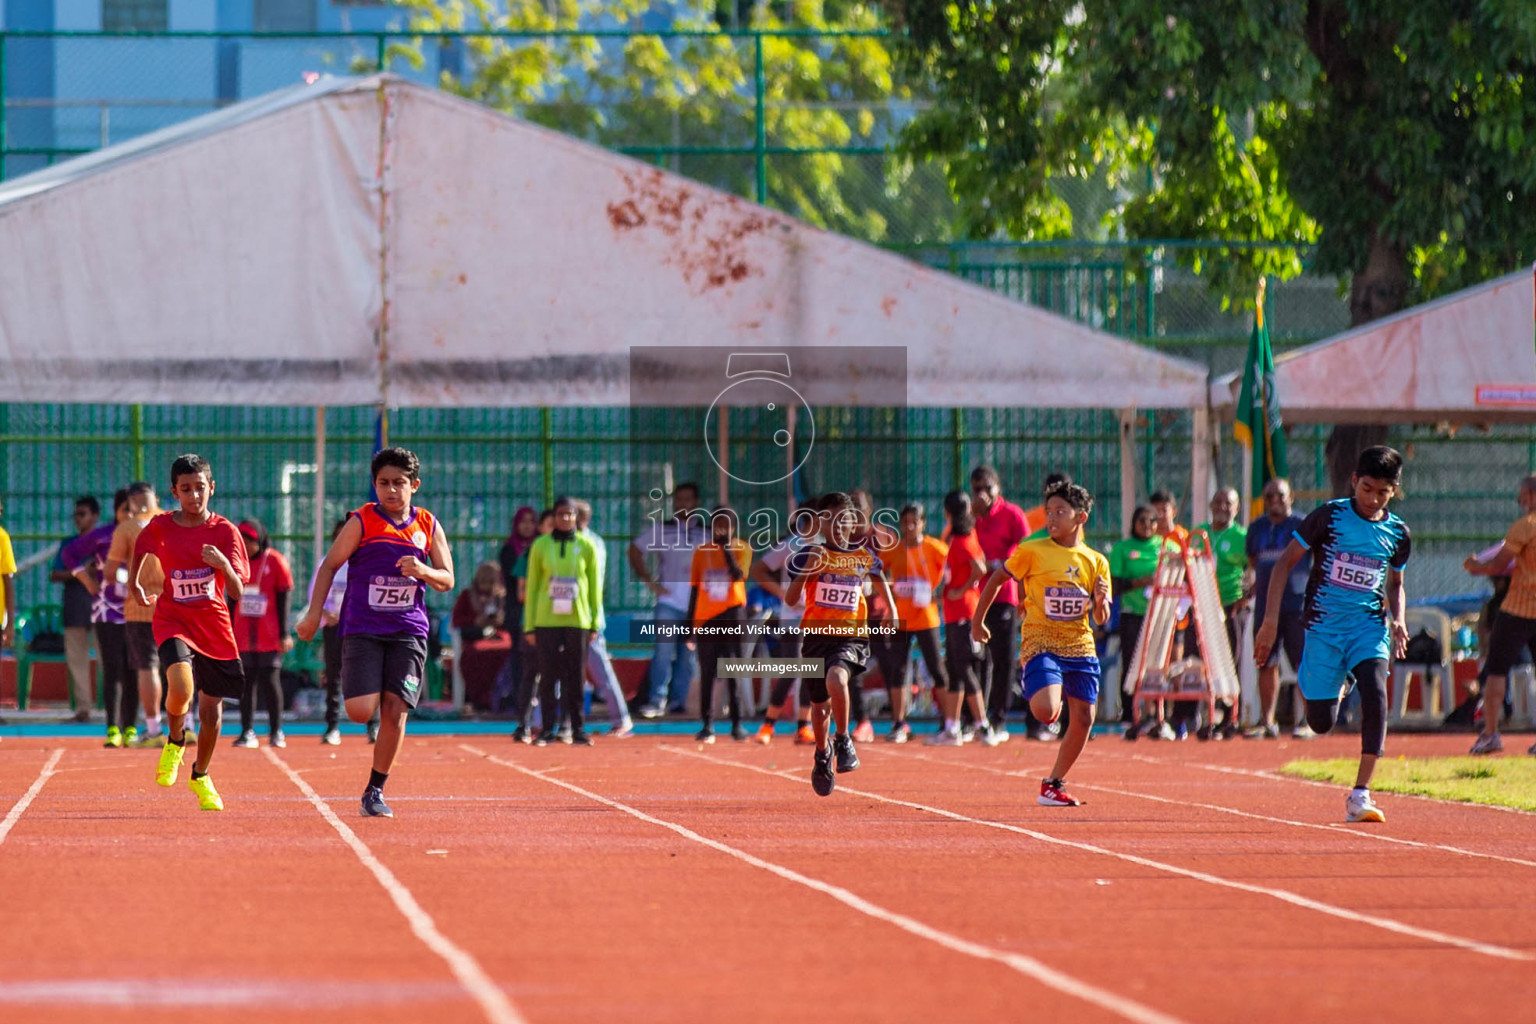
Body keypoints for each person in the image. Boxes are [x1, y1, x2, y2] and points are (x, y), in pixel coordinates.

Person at [296, 447, 457, 818]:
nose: (391, 490)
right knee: (359, 711)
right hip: (364, 629)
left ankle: (375, 789)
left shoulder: (428, 525)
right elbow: (329, 567)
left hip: (408, 631)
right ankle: (370, 698)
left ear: (414, 485)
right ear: (374, 485)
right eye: (384, 483)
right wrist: (313, 616)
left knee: (396, 710)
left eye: (399, 483)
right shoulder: (363, 521)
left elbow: (447, 579)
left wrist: (423, 571)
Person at [1255, 446, 1411, 824]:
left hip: (1368, 627)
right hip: (1323, 629)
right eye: (1367, 489)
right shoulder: (1328, 516)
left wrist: (1400, 618)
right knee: (1320, 721)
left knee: (1376, 693)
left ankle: (1361, 794)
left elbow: (1396, 584)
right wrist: (1270, 622)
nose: (1373, 499)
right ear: (1354, 481)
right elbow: (1282, 566)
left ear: (1394, 491)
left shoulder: (1397, 533)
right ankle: (1339, 684)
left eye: (1383, 492)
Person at [973, 481, 1112, 807]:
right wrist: (978, 619)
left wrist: (1102, 602)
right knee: (1047, 711)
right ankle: (1039, 683)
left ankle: (1053, 783)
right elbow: (997, 579)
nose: (1052, 518)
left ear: (1081, 517)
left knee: (1083, 720)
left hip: (1080, 646)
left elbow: (1102, 619)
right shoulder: (1033, 550)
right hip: (1042, 642)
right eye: (1049, 511)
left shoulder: (1096, 561)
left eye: (1060, 512)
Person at [130, 454, 250, 812]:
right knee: (181, 688)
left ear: (211, 488)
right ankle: (175, 741)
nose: (194, 496)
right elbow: (141, 547)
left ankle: (201, 775)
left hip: (213, 625)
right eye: (186, 489)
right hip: (173, 619)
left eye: (200, 488)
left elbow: (238, 591)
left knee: (212, 711)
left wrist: (223, 564)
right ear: (174, 492)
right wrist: (137, 584)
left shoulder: (225, 532)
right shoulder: (161, 526)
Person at [786, 492, 896, 797]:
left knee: (837, 677)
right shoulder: (813, 554)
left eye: (842, 519)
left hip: (850, 637)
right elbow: (791, 599)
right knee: (818, 708)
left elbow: (880, 576)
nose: (836, 525)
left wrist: (893, 611)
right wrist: (811, 569)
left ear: (853, 522)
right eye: (828, 519)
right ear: (820, 523)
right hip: (815, 639)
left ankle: (844, 737)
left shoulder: (863, 555)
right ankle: (822, 754)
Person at [1463, 474, 1536, 755]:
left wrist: (1474, 566)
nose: (1520, 501)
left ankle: (1491, 733)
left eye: (1522, 496)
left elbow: (1498, 565)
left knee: (1495, 672)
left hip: (1518, 608)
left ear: (1530, 497)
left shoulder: (1525, 526)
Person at [522, 496, 602, 747]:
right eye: (561, 514)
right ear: (553, 517)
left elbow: (595, 587)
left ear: (577, 518)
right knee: (547, 676)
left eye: (570, 514)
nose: (565, 519)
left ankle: (578, 729)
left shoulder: (588, 546)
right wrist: (530, 624)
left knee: (575, 676)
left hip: (578, 619)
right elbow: (533, 586)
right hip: (546, 619)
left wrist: (594, 621)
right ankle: (547, 729)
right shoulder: (540, 546)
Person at [62, 490, 135, 746]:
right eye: (125, 509)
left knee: (134, 670)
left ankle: (132, 728)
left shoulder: (147, 534)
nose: (131, 514)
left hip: (138, 612)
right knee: (113, 669)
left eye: (136, 508)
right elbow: (69, 554)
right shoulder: (103, 535)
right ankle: (113, 729)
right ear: (116, 510)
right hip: (106, 611)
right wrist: (86, 579)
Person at [1243, 478, 1312, 739]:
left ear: (1290, 497)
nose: (1274, 500)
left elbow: (1316, 557)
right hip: (1265, 606)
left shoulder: (1302, 525)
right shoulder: (1256, 528)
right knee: (1265, 661)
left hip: (1297, 604)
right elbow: (1253, 560)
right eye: (1269, 495)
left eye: (1280, 495)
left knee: (1303, 662)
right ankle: (1266, 721)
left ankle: (1307, 720)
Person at [629, 483, 705, 718]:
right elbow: (634, 550)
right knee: (662, 652)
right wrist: (650, 581)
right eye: (679, 500)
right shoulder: (662, 529)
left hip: (697, 606)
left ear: (697, 503)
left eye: (688, 499)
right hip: (668, 604)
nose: (683, 504)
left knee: (688, 655)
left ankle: (677, 702)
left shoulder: (706, 532)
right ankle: (656, 701)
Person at [875, 503, 949, 743]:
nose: (909, 527)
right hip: (900, 618)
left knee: (936, 669)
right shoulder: (893, 550)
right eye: (905, 522)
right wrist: (889, 598)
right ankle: (899, 723)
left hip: (927, 618)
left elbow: (952, 571)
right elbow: (877, 572)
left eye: (914, 522)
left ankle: (948, 722)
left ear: (923, 524)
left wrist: (940, 595)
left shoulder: (935, 548)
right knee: (898, 670)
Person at [751, 502, 819, 745]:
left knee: (812, 671)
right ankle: (768, 724)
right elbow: (758, 570)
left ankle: (803, 726)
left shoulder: (827, 547)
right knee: (792, 669)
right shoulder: (792, 544)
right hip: (792, 618)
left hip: (818, 618)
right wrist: (781, 592)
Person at [926, 490, 990, 746]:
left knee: (963, 668)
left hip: (964, 611)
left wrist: (963, 590)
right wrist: (944, 594)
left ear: (948, 512)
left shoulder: (964, 539)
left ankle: (983, 725)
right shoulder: (956, 538)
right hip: (954, 612)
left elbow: (980, 567)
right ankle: (952, 727)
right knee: (954, 669)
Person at [105, 482, 165, 746]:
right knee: (179, 664)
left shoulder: (126, 528)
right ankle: (185, 725)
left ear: (130, 502)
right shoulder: (172, 521)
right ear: (156, 498)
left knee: (147, 666)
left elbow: (109, 572)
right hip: (175, 605)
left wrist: (121, 584)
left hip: (139, 607)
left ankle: (153, 729)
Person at [688, 507, 753, 742]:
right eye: (718, 524)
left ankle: (737, 724)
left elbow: (738, 575)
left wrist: (726, 547)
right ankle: (707, 724)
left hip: (732, 614)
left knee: (733, 669)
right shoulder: (701, 552)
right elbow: (695, 589)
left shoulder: (742, 548)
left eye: (727, 524)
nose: (722, 529)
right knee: (708, 671)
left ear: (734, 527)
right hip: (706, 618)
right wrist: (689, 625)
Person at [968, 465, 1023, 743]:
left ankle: (999, 719)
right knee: (974, 660)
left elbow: (1024, 546)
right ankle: (973, 720)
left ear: (997, 487)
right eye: (976, 488)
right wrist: (970, 516)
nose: (982, 494)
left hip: (1003, 597)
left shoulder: (1011, 514)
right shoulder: (969, 517)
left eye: (987, 488)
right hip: (973, 599)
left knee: (1002, 659)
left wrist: (1003, 563)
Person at [575, 499, 635, 738]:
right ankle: (556, 721)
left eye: (572, 515)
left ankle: (622, 719)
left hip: (588, 617)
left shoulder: (592, 543)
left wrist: (592, 620)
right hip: (568, 616)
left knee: (600, 671)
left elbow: (592, 582)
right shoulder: (570, 542)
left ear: (583, 519)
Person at [231, 519, 293, 749]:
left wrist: (284, 633)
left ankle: (277, 731)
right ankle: (246, 730)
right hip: (242, 633)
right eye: (242, 541)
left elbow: (284, 598)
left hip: (269, 633)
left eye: (250, 541)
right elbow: (228, 599)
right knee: (246, 684)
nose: (246, 546)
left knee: (271, 681)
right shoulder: (234, 563)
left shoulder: (275, 561)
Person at [1194, 487, 1248, 737]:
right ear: (1210, 504)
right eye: (1218, 502)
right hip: (1202, 607)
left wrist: (1244, 599)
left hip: (1230, 606)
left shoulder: (1242, 536)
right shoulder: (1199, 534)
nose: (1222, 507)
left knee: (1229, 661)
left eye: (1228, 503)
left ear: (1237, 508)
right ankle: (1198, 715)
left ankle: (1229, 716)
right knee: (1200, 661)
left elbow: (1254, 571)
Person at [847, 488, 897, 742]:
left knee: (890, 664)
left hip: (878, 613)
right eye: (851, 508)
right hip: (852, 615)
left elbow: (894, 572)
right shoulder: (842, 539)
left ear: (869, 510)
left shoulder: (883, 537)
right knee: (852, 667)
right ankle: (862, 720)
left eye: (859, 508)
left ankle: (900, 720)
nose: (855, 514)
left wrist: (879, 585)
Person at [1109, 506, 1162, 726]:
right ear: (1133, 522)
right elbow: (1113, 585)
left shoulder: (1167, 546)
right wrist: (1138, 583)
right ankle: (1130, 714)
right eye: (1142, 520)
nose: (1147, 524)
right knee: (1131, 664)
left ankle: (1157, 715)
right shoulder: (1122, 548)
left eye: (1152, 520)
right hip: (1132, 615)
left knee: (1157, 665)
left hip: (1160, 615)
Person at [51, 495, 101, 722]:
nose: (77, 519)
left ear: (95, 516)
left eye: (82, 514)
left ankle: (116, 709)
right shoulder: (68, 544)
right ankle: (83, 709)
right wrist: (79, 571)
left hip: (103, 609)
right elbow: (55, 574)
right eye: (76, 515)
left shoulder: (104, 542)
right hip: (74, 608)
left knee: (109, 660)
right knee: (77, 660)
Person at [305, 518, 352, 745]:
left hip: (358, 628)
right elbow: (314, 594)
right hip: (333, 628)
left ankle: (373, 725)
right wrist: (326, 614)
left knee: (366, 675)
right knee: (333, 676)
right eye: (341, 534)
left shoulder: (364, 563)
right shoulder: (327, 563)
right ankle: (332, 726)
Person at [509, 508, 554, 742]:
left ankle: (557, 725)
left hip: (563, 623)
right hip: (534, 622)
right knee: (529, 674)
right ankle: (523, 724)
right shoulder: (531, 553)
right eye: (548, 524)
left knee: (559, 675)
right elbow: (521, 593)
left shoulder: (573, 550)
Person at [451, 562, 512, 712]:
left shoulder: (504, 597)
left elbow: (512, 621)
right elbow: (457, 620)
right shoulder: (467, 596)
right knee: (475, 655)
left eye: (490, 581)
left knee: (507, 653)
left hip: (499, 637)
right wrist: (475, 621)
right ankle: (479, 699)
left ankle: (504, 698)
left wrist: (500, 621)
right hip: (475, 638)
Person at [493, 507, 538, 712]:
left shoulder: (542, 546)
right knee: (520, 657)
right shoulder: (509, 549)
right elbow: (512, 581)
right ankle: (521, 702)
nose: (528, 526)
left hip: (542, 610)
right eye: (523, 521)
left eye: (531, 521)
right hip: (518, 610)